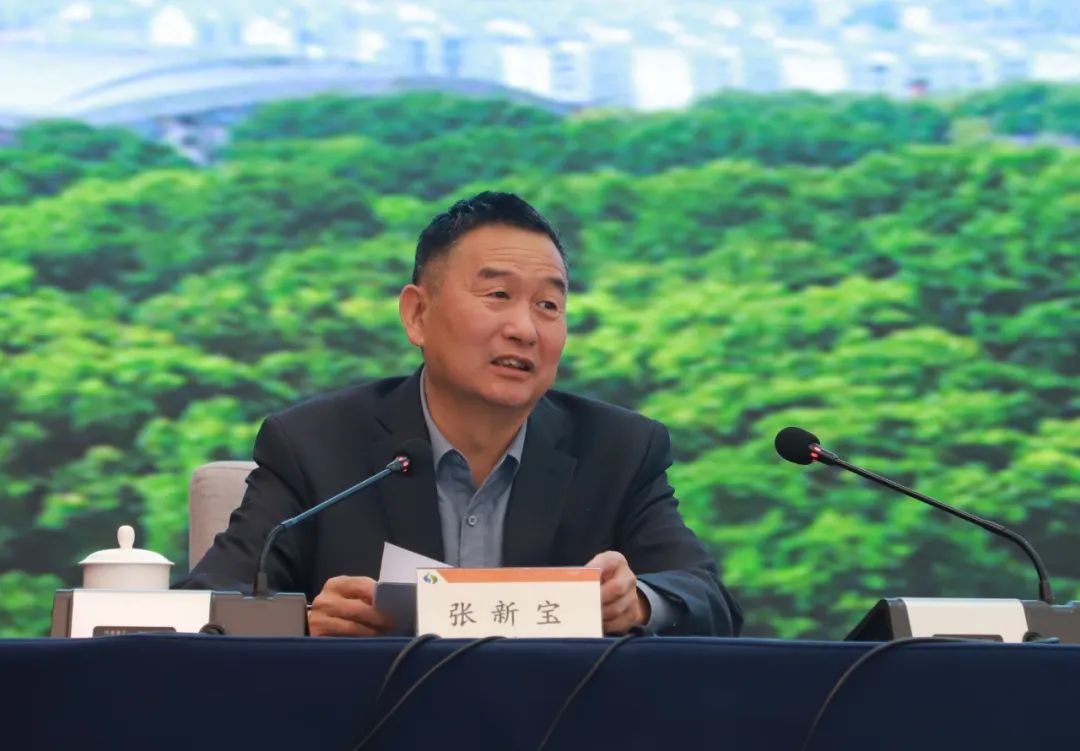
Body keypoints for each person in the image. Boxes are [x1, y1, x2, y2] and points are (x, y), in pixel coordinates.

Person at [182, 191, 742, 637]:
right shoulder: (315, 445)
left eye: (548, 305)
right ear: (417, 314)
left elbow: (708, 601)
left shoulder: (618, 449)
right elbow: (202, 610)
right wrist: (303, 623)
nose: (524, 328)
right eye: (497, 295)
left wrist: (638, 603)